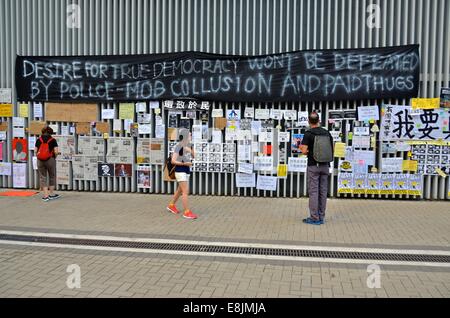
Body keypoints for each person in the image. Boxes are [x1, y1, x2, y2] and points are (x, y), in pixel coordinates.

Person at [300, 112, 334, 225]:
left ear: (309, 121)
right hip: (325, 166)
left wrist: (310, 150)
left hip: (314, 166)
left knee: (314, 192)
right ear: (319, 120)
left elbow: (304, 150)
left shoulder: (308, 133)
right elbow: (331, 148)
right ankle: (321, 216)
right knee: (323, 192)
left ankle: (314, 218)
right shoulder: (327, 133)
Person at [166, 128, 198, 219]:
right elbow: (173, 161)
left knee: (180, 190)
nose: (191, 136)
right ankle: (187, 212)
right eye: (190, 135)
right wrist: (184, 163)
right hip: (180, 170)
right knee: (185, 191)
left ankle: (171, 205)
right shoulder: (178, 146)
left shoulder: (190, 145)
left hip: (187, 170)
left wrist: (191, 150)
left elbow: (194, 156)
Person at [35, 126, 60, 202]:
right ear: (51, 132)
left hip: (40, 160)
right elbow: (56, 151)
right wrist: (55, 156)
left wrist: (40, 156)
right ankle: (51, 194)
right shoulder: (53, 140)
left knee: (43, 177)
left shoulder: (38, 140)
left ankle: (45, 196)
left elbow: (35, 150)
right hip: (50, 160)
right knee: (52, 176)